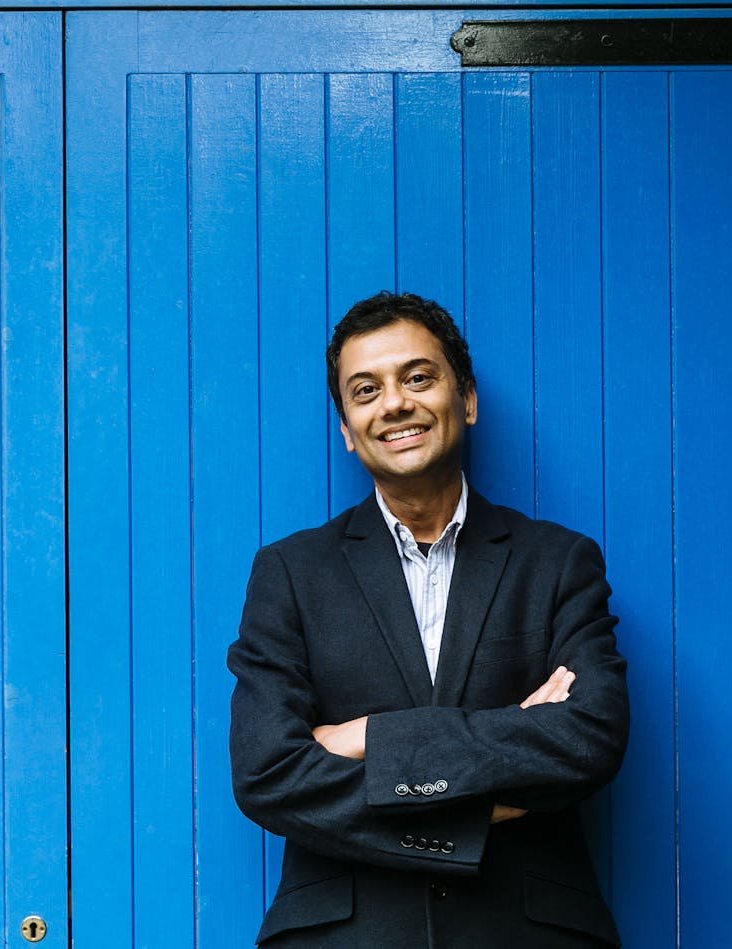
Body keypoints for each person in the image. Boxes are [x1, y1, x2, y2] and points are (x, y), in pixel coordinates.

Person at [227, 291, 630, 947]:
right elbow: (267, 773)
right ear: (348, 430)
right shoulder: (290, 573)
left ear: (465, 399)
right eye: (366, 390)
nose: (394, 403)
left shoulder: (559, 562)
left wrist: (363, 736)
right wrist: (496, 769)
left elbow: (590, 737)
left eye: (417, 377)